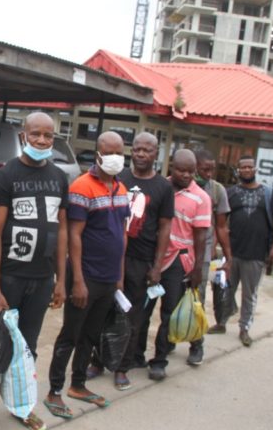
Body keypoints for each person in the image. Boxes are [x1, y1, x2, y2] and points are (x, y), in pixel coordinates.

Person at [0, 112, 69, 430]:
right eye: (35, 134)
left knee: (28, 349)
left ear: (54, 138)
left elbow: (62, 231)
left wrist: (61, 279)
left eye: (47, 136)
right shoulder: (6, 175)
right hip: (9, 277)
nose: (41, 140)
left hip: (41, 279)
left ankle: (21, 406)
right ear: (24, 136)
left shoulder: (59, 177)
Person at [44, 132, 129, 419]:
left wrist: (119, 275)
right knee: (71, 333)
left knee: (91, 335)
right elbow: (73, 236)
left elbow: (122, 234)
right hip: (86, 276)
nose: (116, 156)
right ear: (98, 154)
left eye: (120, 151)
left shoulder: (122, 188)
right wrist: (76, 280)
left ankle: (78, 384)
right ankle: (54, 390)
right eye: (110, 151)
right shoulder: (82, 187)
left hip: (108, 279)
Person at [89, 131, 174, 389]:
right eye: (136, 149)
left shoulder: (163, 187)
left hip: (141, 260)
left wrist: (157, 266)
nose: (140, 154)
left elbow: (165, 228)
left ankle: (122, 367)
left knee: (132, 317)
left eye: (146, 150)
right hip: (113, 256)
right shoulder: (118, 178)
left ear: (156, 154)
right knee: (102, 311)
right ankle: (97, 360)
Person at [139, 149, 210, 381]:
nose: (186, 175)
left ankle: (159, 360)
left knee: (169, 313)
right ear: (171, 167)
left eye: (191, 171)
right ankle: (136, 353)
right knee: (142, 310)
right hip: (153, 257)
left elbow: (200, 237)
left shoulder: (202, 198)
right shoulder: (160, 187)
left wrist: (198, 268)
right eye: (181, 170)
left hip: (179, 261)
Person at [211, 155, 273, 346]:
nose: (246, 170)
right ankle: (221, 322)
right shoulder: (231, 193)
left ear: (255, 169)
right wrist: (217, 247)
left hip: (256, 253)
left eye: (250, 167)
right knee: (225, 290)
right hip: (232, 253)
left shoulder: (268, 193)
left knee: (249, 294)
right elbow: (220, 221)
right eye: (243, 167)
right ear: (238, 170)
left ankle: (244, 328)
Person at [187, 149, 234, 365]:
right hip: (177, 252)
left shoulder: (217, 191)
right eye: (204, 169)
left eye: (211, 169)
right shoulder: (176, 184)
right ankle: (167, 342)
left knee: (197, 300)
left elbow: (222, 227)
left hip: (203, 254)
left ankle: (197, 344)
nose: (209, 173)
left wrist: (227, 256)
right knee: (170, 300)